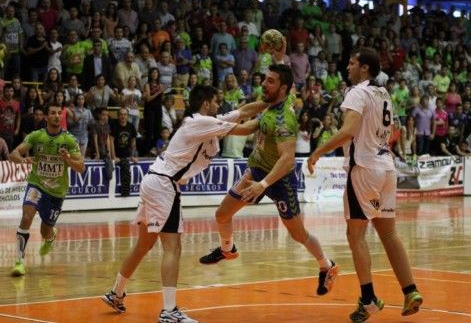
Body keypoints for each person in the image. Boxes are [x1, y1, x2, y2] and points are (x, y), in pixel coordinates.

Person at [102, 85, 270, 323]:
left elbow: (243, 111)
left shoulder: (210, 120)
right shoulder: (199, 122)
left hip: (155, 180)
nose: (219, 104)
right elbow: (245, 128)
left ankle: (115, 293)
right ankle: (169, 311)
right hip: (163, 184)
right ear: (205, 104)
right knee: (173, 248)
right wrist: (273, 117)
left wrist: (270, 102)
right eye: (215, 101)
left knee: (144, 244)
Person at [199, 64, 338, 297]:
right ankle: (227, 249)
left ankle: (327, 265)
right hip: (256, 172)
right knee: (222, 214)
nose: (263, 83)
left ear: (283, 88)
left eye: (270, 81)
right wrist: (219, 128)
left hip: (279, 181)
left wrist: (262, 186)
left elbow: (287, 159)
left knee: (298, 234)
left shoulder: (284, 119)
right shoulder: (271, 108)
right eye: (265, 79)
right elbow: (252, 127)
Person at [307, 48, 423, 323]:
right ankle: (411, 291)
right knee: (389, 233)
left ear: (366, 68)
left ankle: (368, 299)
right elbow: (393, 131)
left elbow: (348, 131)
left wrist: (318, 151)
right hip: (386, 168)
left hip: (364, 169)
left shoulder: (357, 92)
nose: (347, 67)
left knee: (355, 235)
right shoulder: (383, 94)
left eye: (352, 62)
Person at [9, 102, 85, 276]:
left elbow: (81, 167)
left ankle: (50, 237)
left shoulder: (69, 140)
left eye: (59, 113)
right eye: (53, 112)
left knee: (45, 231)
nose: (57, 115)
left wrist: (68, 161)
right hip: (37, 184)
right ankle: (19, 262)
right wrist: (22, 160)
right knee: (27, 216)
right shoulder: (37, 136)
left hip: (57, 192)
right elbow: (14, 153)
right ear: (46, 117)